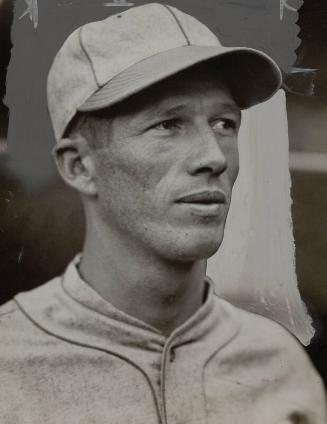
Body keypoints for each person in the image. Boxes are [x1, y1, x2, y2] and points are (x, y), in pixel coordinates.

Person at [0, 3, 326, 423]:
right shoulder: (10, 364)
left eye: (224, 124)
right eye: (168, 125)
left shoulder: (277, 365)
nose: (214, 157)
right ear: (79, 166)